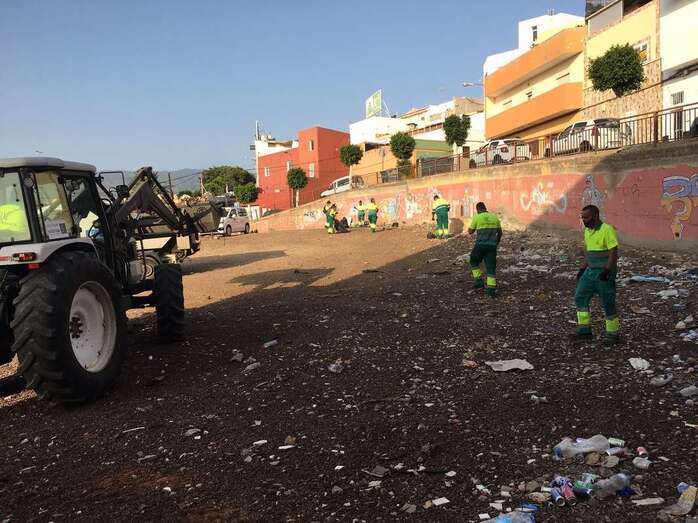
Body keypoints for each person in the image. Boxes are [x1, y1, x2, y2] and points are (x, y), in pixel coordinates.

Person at [572, 204, 620, 346]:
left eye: (586, 217)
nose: (584, 220)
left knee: (608, 302)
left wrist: (607, 270)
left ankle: (613, 335)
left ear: (595, 216)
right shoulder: (588, 231)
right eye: (582, 217)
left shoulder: (607, 229)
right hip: (590, 271)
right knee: (580, 296)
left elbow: (613, 251)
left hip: (603, 272)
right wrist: (582, 268)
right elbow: (589, 252)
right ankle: (584, 331)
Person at [467, 202, 502, 298]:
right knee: (491, 268)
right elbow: (500, 232)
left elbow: (470, 231)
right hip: (492, 246)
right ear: (485, 208)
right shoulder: (494, 217)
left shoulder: (477, 217)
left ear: (477, 209)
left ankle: (478, 281)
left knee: (473, 261)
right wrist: (497, 242)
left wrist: (472, 228)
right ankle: (491, 291)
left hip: (480, 245)